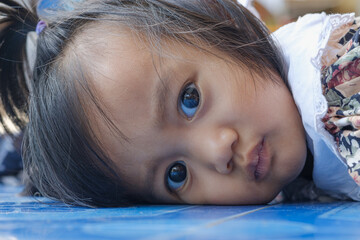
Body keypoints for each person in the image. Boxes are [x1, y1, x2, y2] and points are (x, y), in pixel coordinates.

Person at [0, 0, 357, 207]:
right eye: (176, 174)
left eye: (190, 99)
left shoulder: (333, 74)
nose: (218, 151)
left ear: (222, 28)